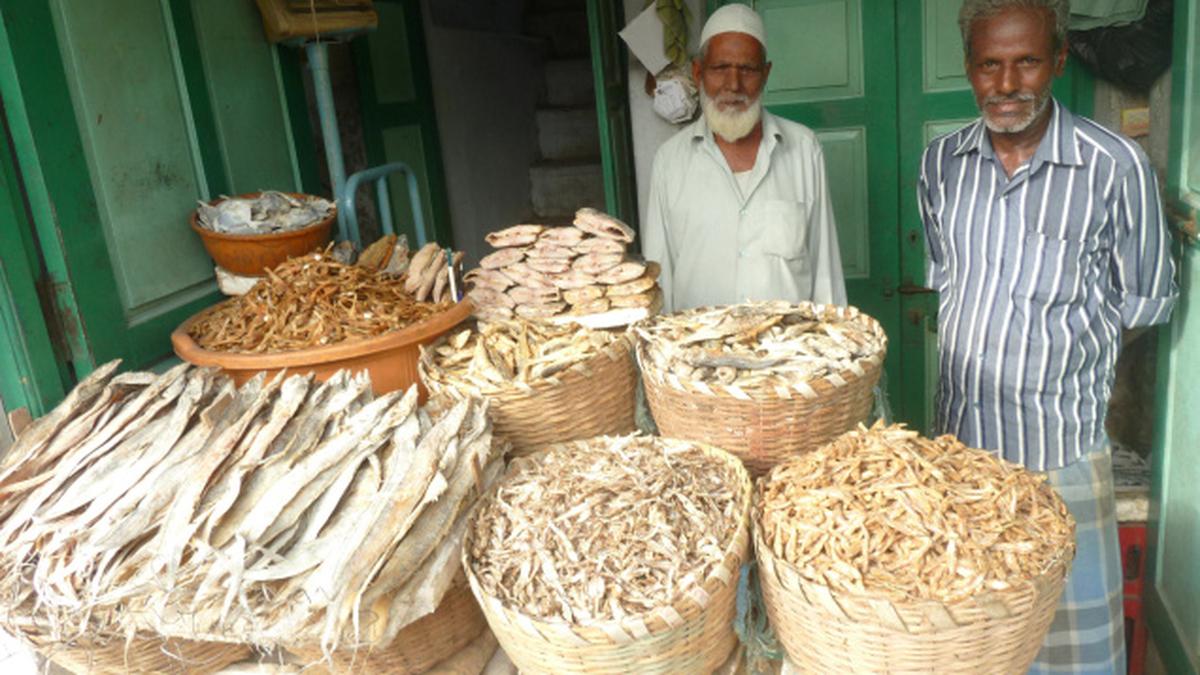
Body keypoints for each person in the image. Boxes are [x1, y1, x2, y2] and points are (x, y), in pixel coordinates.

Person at [918, 1, 1178, 672]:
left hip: (1062, 454)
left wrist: (1058, 361)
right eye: (989, 64)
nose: (1007, 84)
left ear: (1059, 59)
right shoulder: (941, 163)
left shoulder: (1115, 166)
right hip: (964, 459)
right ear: (969, 68)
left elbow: (1144, 303)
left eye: (1027, 61)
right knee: (974, 642)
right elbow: (949, 282)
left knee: (1071, 655)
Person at [642, 4, 846, 312]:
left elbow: (825, 270)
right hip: (699, 343)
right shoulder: (670, 161)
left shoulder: (804, 149)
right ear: (698, 72)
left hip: (789, 342)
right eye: (720, 68)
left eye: (748, 69)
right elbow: (660, 278)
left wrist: (836, 337)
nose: (733, 85)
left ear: (766, 74)